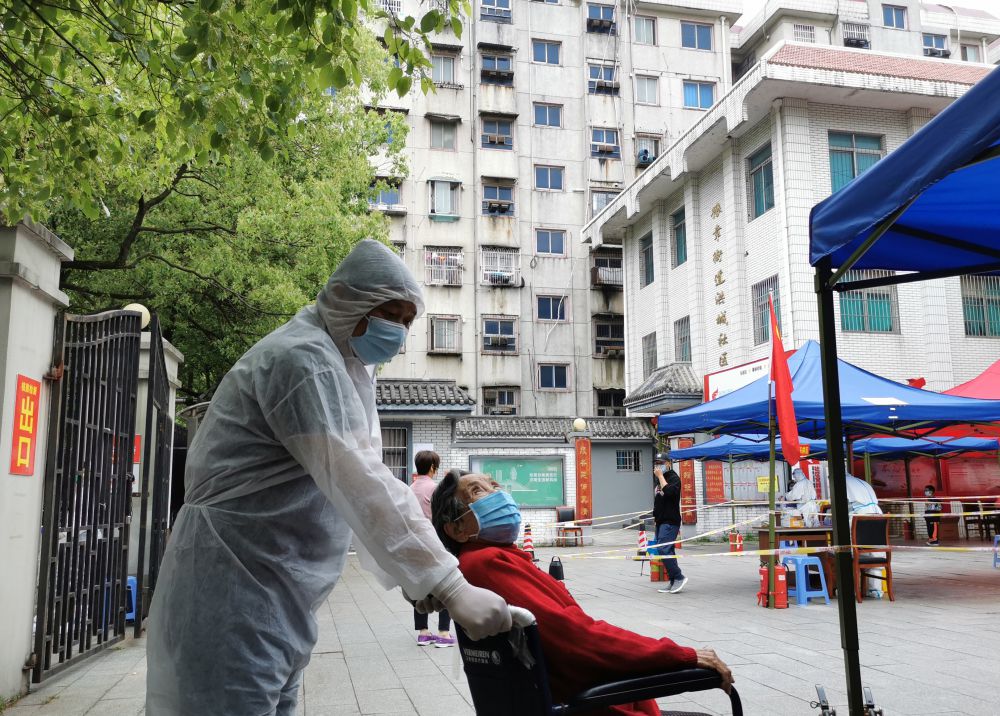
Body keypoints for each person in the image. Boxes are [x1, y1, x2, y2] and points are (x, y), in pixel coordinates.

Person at [146, 240, 510, 716]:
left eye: (407, 320)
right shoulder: (303, 361)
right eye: (388, 314)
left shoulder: (344, 365)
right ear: (345, 301)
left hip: (270, 590)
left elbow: (353, 485)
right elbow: (359, 480)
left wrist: (417, 578)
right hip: (234, 585)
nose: (397, 331)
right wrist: (448, 585)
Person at [431, 472, 734, 716]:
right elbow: (578, 637)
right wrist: (680, 655)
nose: (497, 494)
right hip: (586, 703)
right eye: (478, 491)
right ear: (456, 530)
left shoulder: (491, 558)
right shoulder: (486, 562)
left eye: (494, 485)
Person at [409, 450, 454, 647]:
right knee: (446, 585)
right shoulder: (436, 490)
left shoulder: (409, 489)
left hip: (415, 545)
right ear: (433, 468)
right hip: (437, 544)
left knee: (419, 587)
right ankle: (443, 633)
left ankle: (423, 632)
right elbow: (445, 517)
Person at [652, 453, 687, 594]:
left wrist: (661, 476)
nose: (658, 465)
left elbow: (670, 493)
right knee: (668, 550)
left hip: (670, 521)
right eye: (656, 463)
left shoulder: (673, 478)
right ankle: (673, 581)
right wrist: (656, 518)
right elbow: (658, 501)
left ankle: (679, 577)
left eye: (661, 463)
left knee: (664, 549)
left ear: (668, 463)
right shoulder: (659, 479)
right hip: (661, 520)